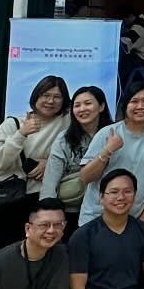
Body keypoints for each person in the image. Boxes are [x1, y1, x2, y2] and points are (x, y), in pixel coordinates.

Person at [0, 76, 70, 259]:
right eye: (46, 95)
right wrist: (21, 134)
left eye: (57, 97)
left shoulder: (67, 123)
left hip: (36, 202)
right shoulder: (13, 124)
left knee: (31, 257)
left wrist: (50, 162)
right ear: (36, 96)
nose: (51, 101)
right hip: (4, 200)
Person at [76, 82, 144, 228]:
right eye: (134, 101)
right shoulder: (107, 133)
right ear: (125, 106)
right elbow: (85, 177)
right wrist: (107, 150)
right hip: (96, 218)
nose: (140, 106)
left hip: (134, 221)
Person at [40, 86, 111, 238]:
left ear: (101, 106)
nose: (82, 109)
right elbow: (51, 180)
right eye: (77, 105)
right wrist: (48, 214)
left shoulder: (114, 135)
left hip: (106, 209)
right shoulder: (64, 139)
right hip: (72, 210)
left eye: (88, 103)